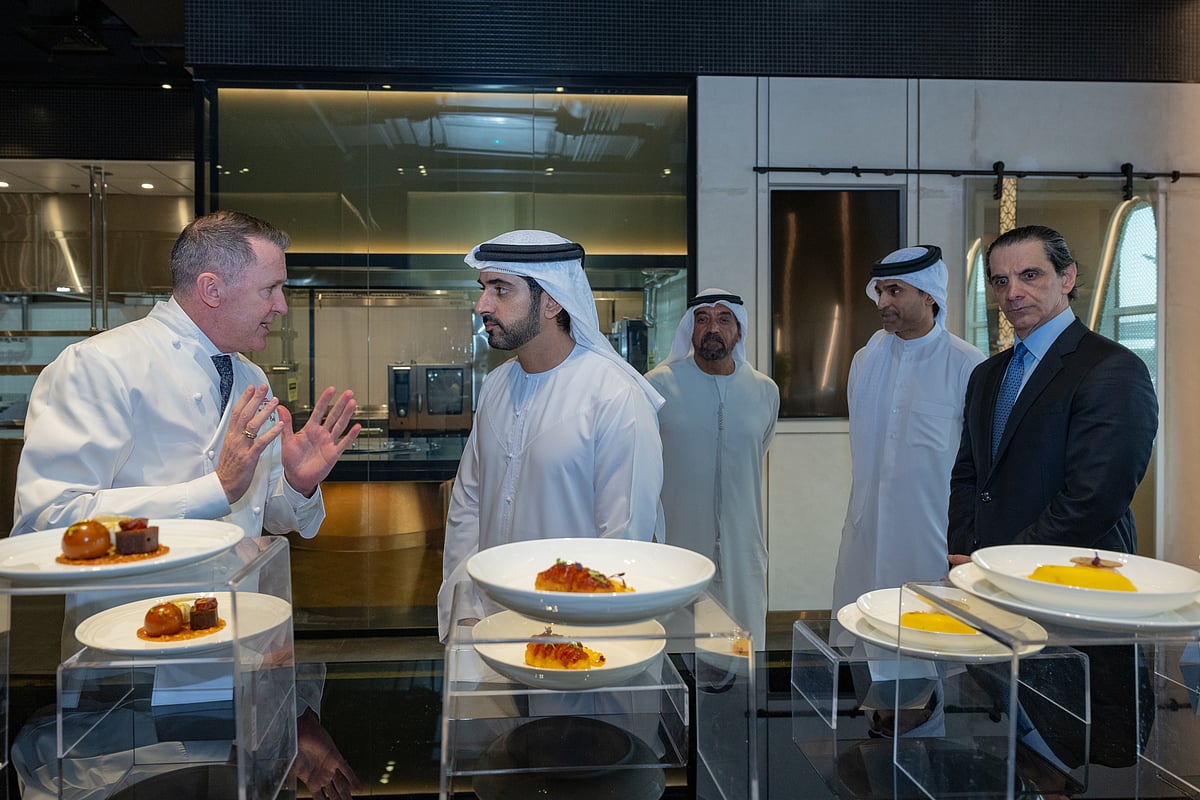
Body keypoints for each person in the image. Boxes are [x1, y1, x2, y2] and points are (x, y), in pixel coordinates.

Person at [10, 209, 363, 799]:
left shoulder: (250, 376)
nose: (281, 306)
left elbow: (262, 513)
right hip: (129, 689)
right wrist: (210, 490)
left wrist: (296, 483)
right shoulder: (99, 367)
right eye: (271, 290)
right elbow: (45, 523)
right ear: (211, 289)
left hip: (243, 673)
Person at [948, 224, 1158, 770]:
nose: (1012, 292)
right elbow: (969, 476)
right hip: (996, 598)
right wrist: (968, 554)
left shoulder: (1113, 369)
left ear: (1067, 278)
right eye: (1000, 281)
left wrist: (1000, 567)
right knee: (1018, 739)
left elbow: (1093, 500)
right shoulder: (988, 375)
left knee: (1075, 749)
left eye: (1030, 275)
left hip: (1072, 599)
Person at [437, 229, 666, 642]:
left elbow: (623, 541)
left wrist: (568, 639)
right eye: (484, 289)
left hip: (577, 645)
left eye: (500, 290)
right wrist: (467, 611)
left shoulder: (614, 397)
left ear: (552, 300)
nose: (481, 305)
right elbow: (468, 506)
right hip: (489, 632)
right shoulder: (496, 386)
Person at [830, 245, 984, 616]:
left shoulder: (966, 364)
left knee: (929, 638)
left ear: (929, 294)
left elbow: (978, 463)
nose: (882, 301)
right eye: (880, 291)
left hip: (931, 534)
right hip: (866, 529)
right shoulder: (865, 360)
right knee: (863, 629)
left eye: (895, 291)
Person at [644, 288, 778, 645]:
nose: (712, 328)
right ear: (690, 328)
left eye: (723, 319)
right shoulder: (658, 386)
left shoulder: (764, 391)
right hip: (676, 545)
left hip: (741, 548)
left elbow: (757, 449)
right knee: (675, 651)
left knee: (739, 653)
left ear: (739, 329)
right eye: (702, 319)